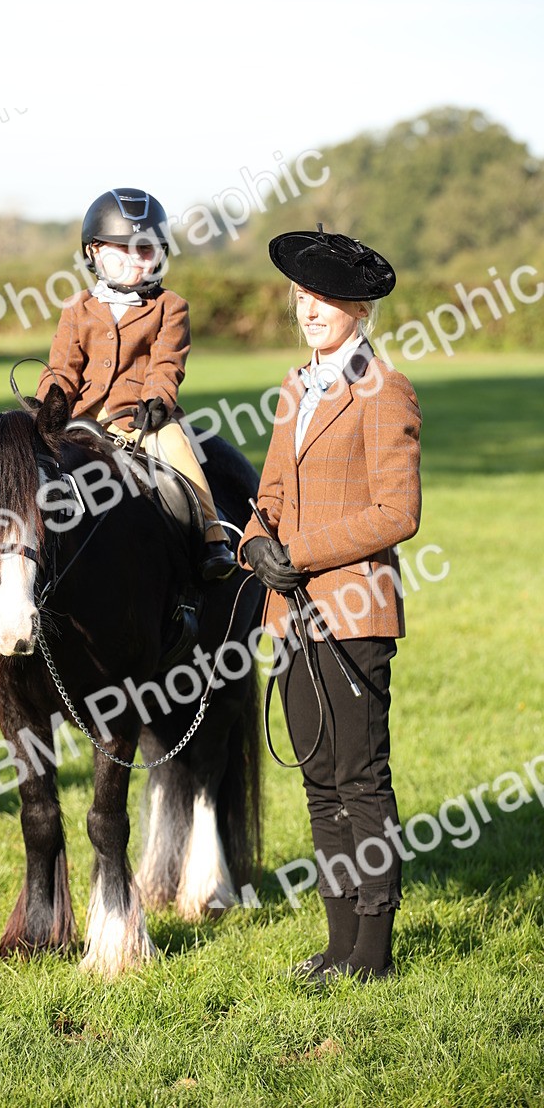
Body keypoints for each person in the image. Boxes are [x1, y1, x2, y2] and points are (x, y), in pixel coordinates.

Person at [240, 224, 422, 986]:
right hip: (291, 615)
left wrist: (301, 556)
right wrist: (255, 543)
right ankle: (338, 942)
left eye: (326, 298)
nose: (309, 309)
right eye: (302, 295)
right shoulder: (295, 386)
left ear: (360, 309)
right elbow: (273, 491)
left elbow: (397, 512)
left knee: (359, 781)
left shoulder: (385, 391)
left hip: (353, 614)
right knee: (318, 781)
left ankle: (372, 955)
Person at [37, 187, 238, 581]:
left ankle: (214, 535)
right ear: (93, 252)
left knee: (179, 447)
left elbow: (167, 362)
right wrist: (49, 401)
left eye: (145, 251)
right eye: (121, 250)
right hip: (82, 418)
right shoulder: (77, 308)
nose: (135, 262)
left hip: (142, 418)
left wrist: (158, 398)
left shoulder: (170, 306)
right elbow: (62, 368)